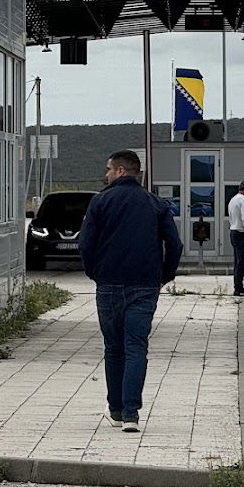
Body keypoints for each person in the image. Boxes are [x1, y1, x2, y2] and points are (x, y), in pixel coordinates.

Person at [78, 149, 183, 433]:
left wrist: (94, 272)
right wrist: (164, 275)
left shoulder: (100, 202)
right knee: (137, 346)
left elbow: (85, 244)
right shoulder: (156, 204)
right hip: (144, 285)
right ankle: (131, 414)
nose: (107, 174)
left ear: (121, 171)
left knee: (114, 348)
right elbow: (175, 245)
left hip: (109, 284)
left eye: (109, 169)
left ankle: (114, 409)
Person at [227, 179, 244, 297]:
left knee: (237, 262)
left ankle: (237, 286)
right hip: (241, 233)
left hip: (233, 231)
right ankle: (239, 289)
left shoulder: (233, 199)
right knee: (242, 262)